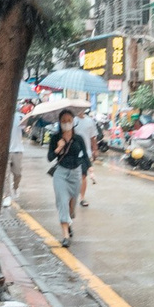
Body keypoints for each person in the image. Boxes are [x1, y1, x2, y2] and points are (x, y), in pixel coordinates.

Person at [46, 105, 94, 245]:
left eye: (69, 120)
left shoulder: (78, 138)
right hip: (60, 173)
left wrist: (90, 170)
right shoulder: (55, 138)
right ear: (60, 123)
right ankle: (65, 236)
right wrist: (58, 148)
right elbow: (49, 158)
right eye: (63, 120)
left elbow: (85, 155)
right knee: (62, 201)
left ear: (73, 121)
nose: (66, 123)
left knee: (71, 207)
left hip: (76, 173)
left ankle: (69, 219)